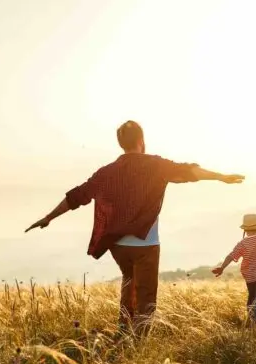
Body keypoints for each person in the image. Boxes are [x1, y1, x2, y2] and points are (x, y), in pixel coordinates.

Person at [25, 120, 244, 337]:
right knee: (146, 296)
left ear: (122, 143)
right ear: (141, 141)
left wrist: (48, 217)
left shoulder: (106, 172)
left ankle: (123, 331)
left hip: (118, 246)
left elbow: (77, 196)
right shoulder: (156, 165)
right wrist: (220, 177)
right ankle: (138, 343)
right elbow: (189, 171)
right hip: (146, 245)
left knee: (129, 283)